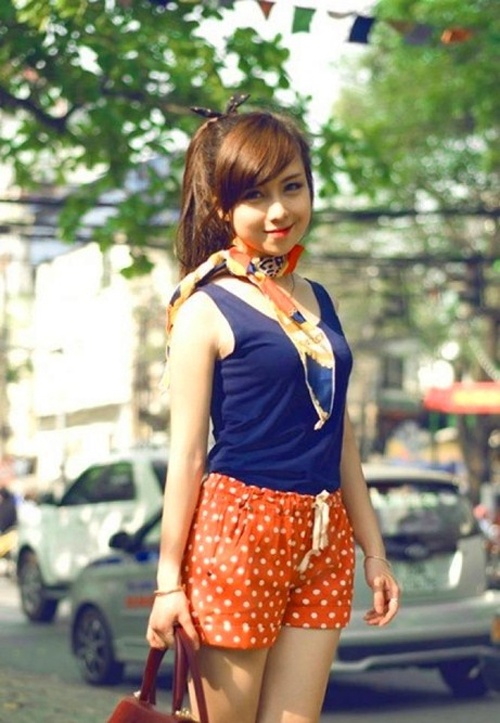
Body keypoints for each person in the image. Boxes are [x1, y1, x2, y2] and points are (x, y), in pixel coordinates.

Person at [146, 95, 400, 723]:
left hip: (325, 532)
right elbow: (187, 455)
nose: (280, 210)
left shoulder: (319, 301)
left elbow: (339, 436)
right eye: (256, 195)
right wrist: (168, 582)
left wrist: (373, 549)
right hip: (240, 531)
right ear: (223, 206)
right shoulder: (205, 307)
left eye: (292, 186)